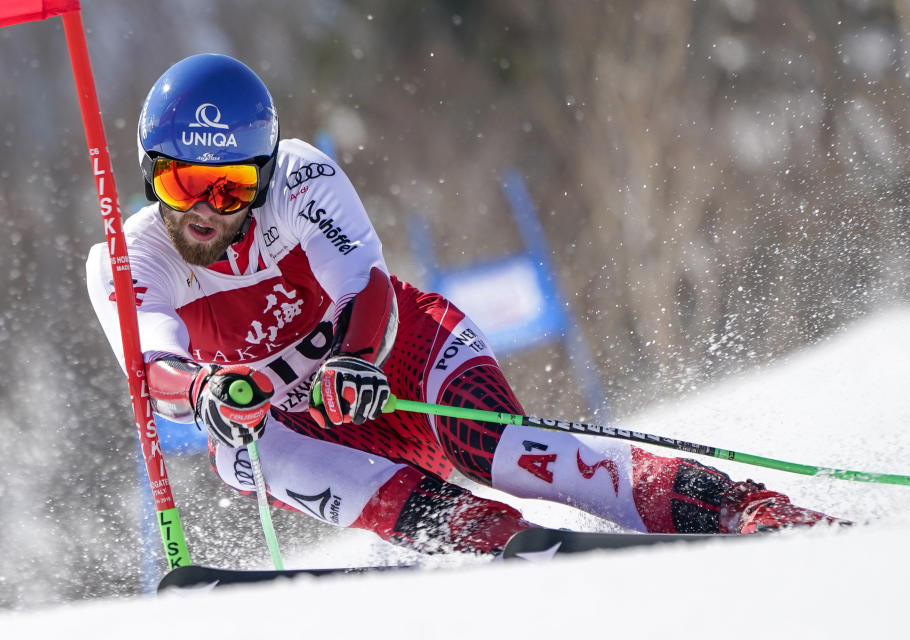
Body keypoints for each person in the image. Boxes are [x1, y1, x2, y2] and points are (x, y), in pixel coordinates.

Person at [87, 54, 844, 556]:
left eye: (232, 189)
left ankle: (736, 507)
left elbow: (369, 289)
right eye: (185, 185)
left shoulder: (301, 179)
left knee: (508, 455)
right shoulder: (126, 260)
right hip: (299, 424)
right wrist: (206, 389)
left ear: (264, 172)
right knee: (235, 449)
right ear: (151, 173)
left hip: (396, 360)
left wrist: (353, 358)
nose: (206, 212)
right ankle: (477, 535)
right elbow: (155, 368)